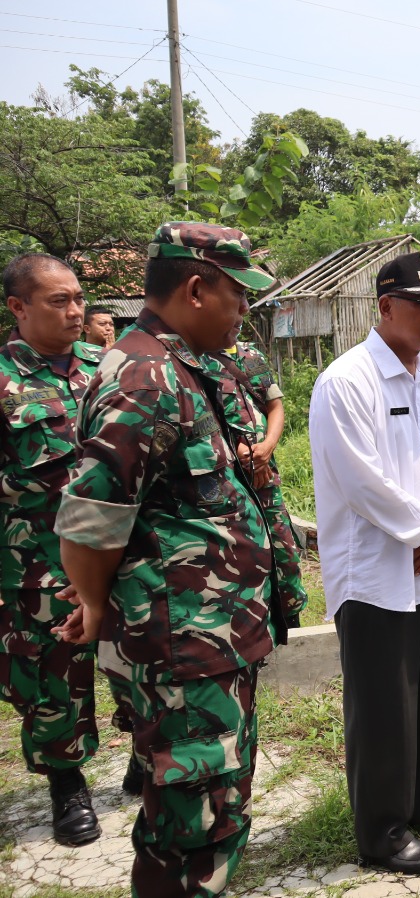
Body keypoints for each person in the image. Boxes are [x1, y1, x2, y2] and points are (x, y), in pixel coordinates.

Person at [53, 222, 290, 898]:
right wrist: (94, 604)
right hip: (182, 647)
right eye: (237, 296)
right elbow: (92, 513)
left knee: (213, 808)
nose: (243, 311)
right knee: (193, 827)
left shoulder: (182, 365)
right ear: (194, 289)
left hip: (209, 637)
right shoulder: (146, 376)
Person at [309, 251, 420, 875]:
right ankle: (382, 831)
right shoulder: (347, 381)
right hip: (377, 572)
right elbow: (364, 484)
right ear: (385, 307)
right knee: (385, 705)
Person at [0, 253, 104, 845]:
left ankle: (146, 761)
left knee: (141, 654)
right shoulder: (3, 378)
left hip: (122, 550)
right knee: (55, 677)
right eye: (57, 301)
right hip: (38, 560)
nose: (74, 310)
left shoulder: (107, 366)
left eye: (77, 298)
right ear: (18, 308)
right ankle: (67, 784)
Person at [216, 337, 307, 630]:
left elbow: (274, 406)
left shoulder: (251, 354)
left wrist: (267, 446)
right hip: (227, 477)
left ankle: (290, 620)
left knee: (284, 548)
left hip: (265, 472)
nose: (239, 312)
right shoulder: (196, 358)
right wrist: (238, 452)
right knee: (238, 554)